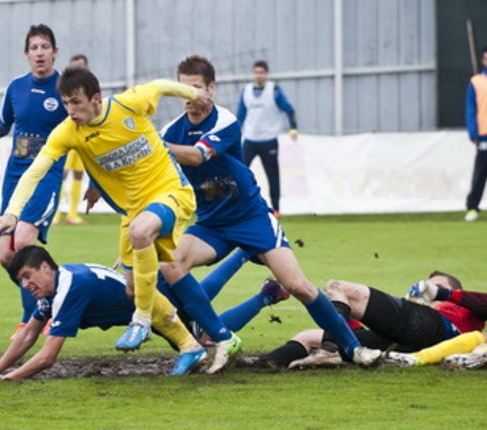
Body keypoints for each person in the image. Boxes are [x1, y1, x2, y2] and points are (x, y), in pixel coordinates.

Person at [157, 55, 378, 372]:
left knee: (298, 285)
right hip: (211, 224)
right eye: (182, 90)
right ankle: (218, 337)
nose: (188, 97)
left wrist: (153, 144)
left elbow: (195, 156)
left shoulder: (225, 121)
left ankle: (354, 349)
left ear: (211, 89)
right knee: (171, 264)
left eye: (195, 89)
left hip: (252, 218)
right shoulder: (171, 131)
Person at [0, 67, 221, 358]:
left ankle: (142, 320)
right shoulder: (67, 132)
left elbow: (159, 85)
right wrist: (12, 213)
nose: (70, 110)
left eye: (76, 102)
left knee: (141, 233)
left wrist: (193, 92)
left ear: (96, 99)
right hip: (133, 210)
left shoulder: (128, 103)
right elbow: (35, 171)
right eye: (66, 103)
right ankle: (189, 346)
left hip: (172, 192)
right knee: (133, 289)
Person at [0, 245, 290, 380]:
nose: (25, 285)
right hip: (149, 293)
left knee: (205, 334)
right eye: (20, 280)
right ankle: (244, 251)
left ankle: (264, 293)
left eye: (27, 276)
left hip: (152, 302)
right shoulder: (60, 282)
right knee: (201, 302)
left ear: (46, 267)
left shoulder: (69, 289)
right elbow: (28, 334)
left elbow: (47, 357)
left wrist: (6, 379)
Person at [0, 24, 67, 337]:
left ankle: (35, 316)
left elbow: (83, 130)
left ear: (55, 52)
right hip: (16, 175)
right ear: (27, 54)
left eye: (45, 47)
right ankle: (50, 300)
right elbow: (3, 122)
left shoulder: (64, 88)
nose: (40, 53)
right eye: (34, 48)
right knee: (7, 254)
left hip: (46, 175)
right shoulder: (16, 87)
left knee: (24, 241)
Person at [263, 271, 484, 368]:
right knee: (309, 336)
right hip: (400, 343)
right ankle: (265, 364)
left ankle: (330, 350)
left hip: (433, 328)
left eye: (438, 286)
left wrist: (445, 295)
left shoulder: (465, 308)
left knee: (338, 287)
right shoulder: (415, 312)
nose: (430, 290)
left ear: (458, 291)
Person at [378, 277, 487, 369]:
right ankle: (474, 357)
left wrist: (442, 294)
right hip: (411, 333)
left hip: (438, 333)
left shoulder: (466, 308)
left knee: (482, 337)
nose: (427, 292)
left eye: (438, 286)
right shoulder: (416, 310)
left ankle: (474, 356)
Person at [236, 60, 298, 217]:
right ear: (252, 73)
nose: (258, 75)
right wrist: (235, 135)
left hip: (269, 139)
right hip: (249, 139)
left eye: (261, 72)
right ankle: (237, 206)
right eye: (256, 72)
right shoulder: (246, 91)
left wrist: (293, 128)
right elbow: (240, 115)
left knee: (273, 175)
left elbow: (289, 109)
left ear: (267, 74)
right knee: (239, 173)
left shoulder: (274, 90)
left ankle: (276, 208)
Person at [53, 54, 90, 226]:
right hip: (69, 137)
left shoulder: (89, 89)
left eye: (82, 67)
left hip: (84, 138)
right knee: (62, 174)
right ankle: (55, 214)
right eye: (76, 67)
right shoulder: (64, 89)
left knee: (78, 174)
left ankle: (72, 213)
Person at [464, 47, 487, 222]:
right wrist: (473, 132)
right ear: (483, 60)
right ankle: (473, 207)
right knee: (480, 174)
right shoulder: (476, 82)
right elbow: (471, 109)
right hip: (484, 135)